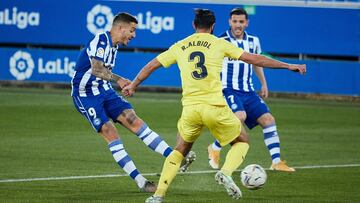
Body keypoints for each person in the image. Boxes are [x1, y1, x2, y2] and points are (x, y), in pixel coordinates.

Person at [122, 9, 306, 203]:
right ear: (213, 27)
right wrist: (287, 65)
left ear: (194, 25)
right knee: (242, 140)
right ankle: (226, 172)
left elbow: (151, 65)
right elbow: (255, 59)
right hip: (215, 108)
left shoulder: (180, 45)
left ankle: (158, 195)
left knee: (179, 150)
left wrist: (133, 85)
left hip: (191, 110)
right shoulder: (220, 43)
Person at [70, 12, 195, 193]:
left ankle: (175, 158)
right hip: (86, 95)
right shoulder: (101, 40)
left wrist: (119, 80)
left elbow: (102, 73)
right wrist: (118, 79)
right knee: (110, 131)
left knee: (132, 119)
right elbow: (97, 69)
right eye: (132, 30)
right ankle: (141, 182)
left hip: (104, 90)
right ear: (120, 27)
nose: (134, 35)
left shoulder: (114, 46)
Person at [207, 7, 295, 172]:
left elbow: (257, 62)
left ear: (246, 23)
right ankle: (215, 147)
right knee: (239, 116)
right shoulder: (221, 40)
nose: (238, 25)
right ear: (229, 22)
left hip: (248, 91)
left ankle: (276, 162)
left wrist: (264, 83)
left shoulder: (254, 41)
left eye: (241, 21)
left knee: (269, 120)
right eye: (235, 21)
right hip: (228, 90)